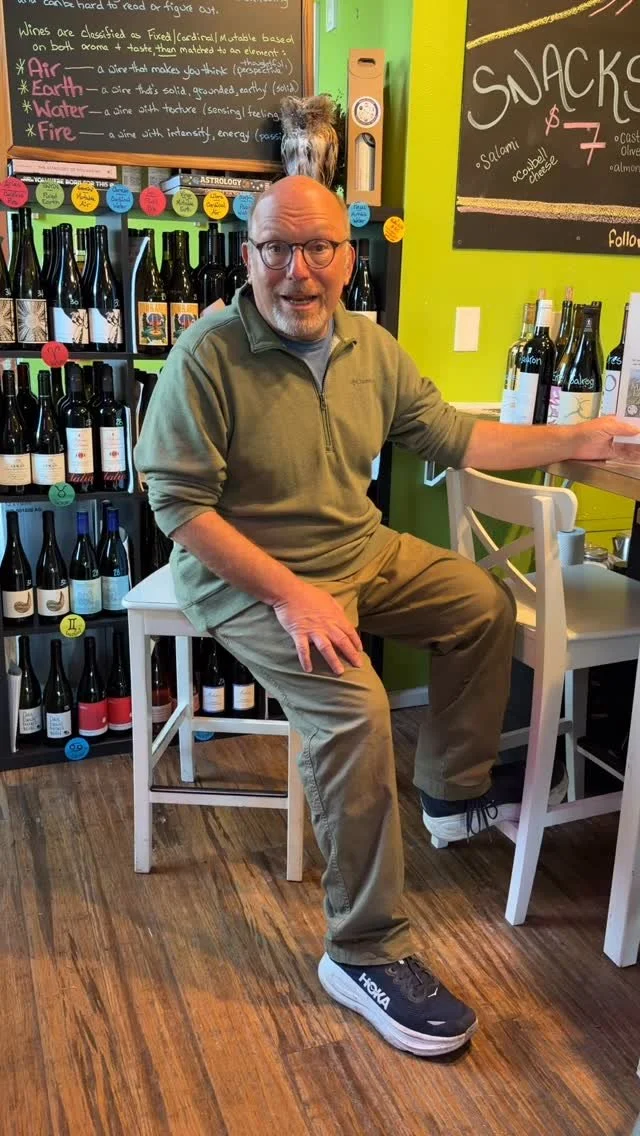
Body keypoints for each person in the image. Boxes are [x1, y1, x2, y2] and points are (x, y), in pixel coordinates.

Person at [135, 175, 639, 1058]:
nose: (297, 271)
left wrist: (582, 438)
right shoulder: (207, 355)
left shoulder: (371, 345)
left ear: (347, 257)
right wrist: (291, 595)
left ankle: (449, 792)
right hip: (247, 576)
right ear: (249, 257)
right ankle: (362, 949)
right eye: (276, 249)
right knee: (355, 713)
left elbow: (458, 436)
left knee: (480, 603)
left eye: (317, 248)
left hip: (357, 550)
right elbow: (179, 507)